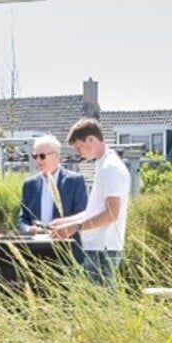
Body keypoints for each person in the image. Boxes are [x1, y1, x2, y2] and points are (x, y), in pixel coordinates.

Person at [51, 118, 129, 286]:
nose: (79, 153)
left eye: (79, 147)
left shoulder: (110, 168)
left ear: (91, 140)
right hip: (100, 247)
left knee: (101, 304)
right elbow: (96, 210)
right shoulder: (105, 165)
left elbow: (112, 213)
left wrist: (75, 227)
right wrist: (66, 221)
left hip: (103, 248)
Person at [16, 135, 88, 241]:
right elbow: (22, 219)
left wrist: (63, 225)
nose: (38, 160)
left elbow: (82, 214)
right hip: (36, 248)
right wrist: (28, 229)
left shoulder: (75, 181)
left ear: (56, 156)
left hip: (66, 248)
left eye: (42, 156)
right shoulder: (29, 184)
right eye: (35, 156)